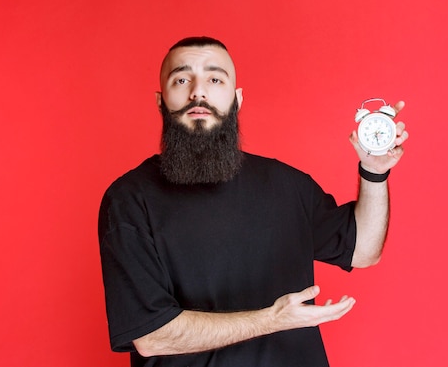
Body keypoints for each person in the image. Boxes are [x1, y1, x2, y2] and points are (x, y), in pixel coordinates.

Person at [98, 36, 409, 367]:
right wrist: (271, 320)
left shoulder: (288, 186)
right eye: (182, 79)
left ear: (237, 98)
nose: (198, 92)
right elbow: (151, 336)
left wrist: (374, 173)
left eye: (215, 79)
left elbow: (363, 251)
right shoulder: (128, 200)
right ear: (161, 101)